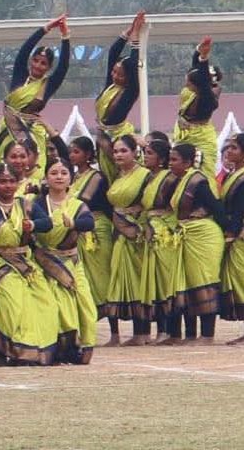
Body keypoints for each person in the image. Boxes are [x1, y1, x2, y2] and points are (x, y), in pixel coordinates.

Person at [0, 164, 58, 365]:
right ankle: (12, 350)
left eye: (11, 181)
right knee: (13, 299)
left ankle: (38, 350)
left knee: (45, 302)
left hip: (23, 261)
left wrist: (33, 225)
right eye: (3, 181)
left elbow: (48, 223)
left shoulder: (26, 206)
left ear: (18, 183)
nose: (8, 186)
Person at [0, 15, 70, 183]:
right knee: (3, 169)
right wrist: (45, 28)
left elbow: (63, 66)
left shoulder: (48, 84)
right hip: (8, 127)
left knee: (33, 170)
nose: (37, 65)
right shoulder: (20, 75)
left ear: (48, 68)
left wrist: (65, 37)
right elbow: (24, 50)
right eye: (35, 60)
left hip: (32, 132)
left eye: (43, 63)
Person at [33, 158, 97, 364]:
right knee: (56, 306)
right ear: (46, 178)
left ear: (71, 178)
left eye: (63, 173)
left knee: (86, 304)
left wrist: (73, 224)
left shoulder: (77, 205)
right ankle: (61, 351)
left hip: (71, 262)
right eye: (54, 173)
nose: (59, 177)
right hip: (47, 264)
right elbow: (34, 225)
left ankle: (85, 348)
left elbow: (89, 223)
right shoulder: (37, 204)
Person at [168, 143, 226, 344]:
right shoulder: (182, 180)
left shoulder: (197, 181)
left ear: (187, 162)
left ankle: (208, 335)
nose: (170, 163)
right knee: (190, 283)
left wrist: (232, 231)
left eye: (174, 160)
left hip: (203, 237)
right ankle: (191, 334)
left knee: (204, 282)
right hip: (188, 236)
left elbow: (216, 207)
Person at [103, 135, 152, 346]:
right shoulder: (117, 176)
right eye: (115, 151)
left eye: (123, 151)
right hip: (119, 234)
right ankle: (128, 333)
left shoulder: (145, 175)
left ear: (135, 152)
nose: (118, 155)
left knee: (139, 282)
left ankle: (143, 332)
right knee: (121, 279)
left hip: (137, 234)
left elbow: (153, 201)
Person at [138, 139, 183, 345]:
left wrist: (162, 225)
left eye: (149, 153)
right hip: (150, 231)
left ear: (161, 158)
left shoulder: (169, 178)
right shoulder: (150, 178)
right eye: (145, 153)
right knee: (154, 283)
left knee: (166, 283)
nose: (145, 156)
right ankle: (161, 330)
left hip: (164, 234)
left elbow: (174, 206)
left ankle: (172, 331)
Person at [94, 12, 144, 184]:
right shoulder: (110, 85)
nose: (115, 76)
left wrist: (136, 37)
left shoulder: (130, 92)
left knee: (121, 177)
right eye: (114, 72)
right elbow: (113, 52)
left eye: (120, 75)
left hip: (117, 139)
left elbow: (135, 62)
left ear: (129, 77)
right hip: (103, 135)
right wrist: (128, 32)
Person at [68, 136, 113, 319]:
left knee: (102, 277)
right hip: (78, 230)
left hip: (97, 229)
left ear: (88, 155)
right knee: (84, 277)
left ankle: (115, 331)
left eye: (76, 152)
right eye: (70, 151)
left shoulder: (96, 177)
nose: (71, 155)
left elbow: (82, 200)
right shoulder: (73, 177)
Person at [172, 37, 222, 180]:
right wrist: (199, 52)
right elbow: (197, 69)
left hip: (201, 138)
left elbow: (202, 77)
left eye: (188, 82)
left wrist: (204, 59)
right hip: (184, 134)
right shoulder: (193, 89)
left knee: (202, 176)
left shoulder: (208, 98)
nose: (185, 83)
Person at [220, 133, 244, 342]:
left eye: (234, 148)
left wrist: (232, 233)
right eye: (228, 147)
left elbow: (239, 209)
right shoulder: (232, 175)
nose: (229, 151)